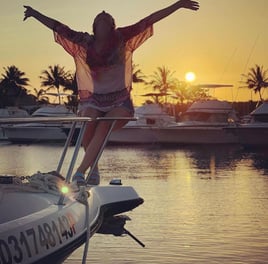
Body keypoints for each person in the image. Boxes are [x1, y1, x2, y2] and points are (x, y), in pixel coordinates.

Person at [23, 0, 199, 185]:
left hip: (120, 101)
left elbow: (149, 20)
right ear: (94, 27)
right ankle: (95, 170)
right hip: (95, 100)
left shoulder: (122, 37)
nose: (103, 22)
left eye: (107, 21)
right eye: (100, 21)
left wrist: (177, 5)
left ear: (112, 26)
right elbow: (59, 27)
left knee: (104, 125)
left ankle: (79, 172)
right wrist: (35, 14)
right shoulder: (85, 41)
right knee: (87, 125)